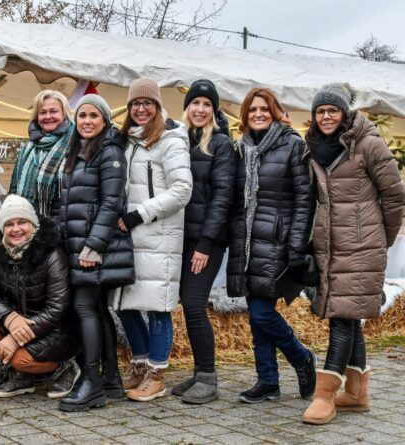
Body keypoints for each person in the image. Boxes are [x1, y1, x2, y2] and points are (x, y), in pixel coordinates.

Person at [301, 84, 405, 424]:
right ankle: (357, 394)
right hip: (330, 246)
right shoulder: (313, 148)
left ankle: (325, 395)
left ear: (345, 113)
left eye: (333, 110)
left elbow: (394, 196)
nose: (326, 116)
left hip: (362, 246)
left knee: (342, 318)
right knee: (347, 314)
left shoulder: (368, 145)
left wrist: (381, 238)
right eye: (321, 111)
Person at [227, 87, 316, 404]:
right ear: (245, 116)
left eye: (264, 108)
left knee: (263, 314)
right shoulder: (241, 149)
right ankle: (267, 381)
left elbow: (305, 200)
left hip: (277, 241)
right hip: (248, 242)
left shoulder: (293, 145)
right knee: (255, 314)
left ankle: (302, 357)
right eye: (252, 110)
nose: (258, 114)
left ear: (275, 110)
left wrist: (295, 244)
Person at [113, 78, 193, 402]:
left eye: (147, 103)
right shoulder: (126, 141)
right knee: (125, 304)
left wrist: (139, 214)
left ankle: (157, 374)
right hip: (129, 236)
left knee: (158, 306)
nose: (141, 109)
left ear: (158, 106)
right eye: (135, 104)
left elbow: (182, 190)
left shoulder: (171, 141)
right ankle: (140, 363)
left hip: (158, 235)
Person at [57, 94, 133, 412]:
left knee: (85, 307)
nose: (87, 121)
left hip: (94, 246)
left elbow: (111, 202)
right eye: (82, 115)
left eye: (94, 116)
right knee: (98, 309)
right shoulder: (78, 152)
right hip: (79, 243)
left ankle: (91, 383)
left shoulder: (109, 151)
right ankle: (111, 378)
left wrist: (94, 245)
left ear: (104, 120)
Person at [172, 79, 237, 404]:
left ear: (213, 110)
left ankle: (209, 378)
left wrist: (206, 244)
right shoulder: (179, 141)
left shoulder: (222, 145)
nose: (199, 109)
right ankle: (199, 373)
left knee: (195, 303)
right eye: (195, 103)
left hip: (205, 241)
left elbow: (223, 197)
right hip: (180, 237)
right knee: (186, 302)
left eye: (206, 105)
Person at [0, 194, 80, 400]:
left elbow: (57, 309)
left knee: (19, 359)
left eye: (22, 222)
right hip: (21, 322)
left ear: (33, 224)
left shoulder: (52, 253)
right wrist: (9, 317)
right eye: (9, 224)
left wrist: (15, 338)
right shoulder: (2, 252)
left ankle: (66, 367)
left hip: (57, 329)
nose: (16, 229)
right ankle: (25, 378)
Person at [9, 90, 75, 218]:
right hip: (28, 224)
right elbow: (14, 189)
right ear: (36, 117)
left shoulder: (77, 145)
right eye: (43, 112)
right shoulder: (27, 149)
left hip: (66, 224)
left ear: (64, 113)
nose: (48, 116)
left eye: (54, 111)